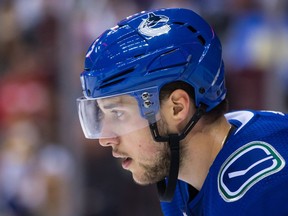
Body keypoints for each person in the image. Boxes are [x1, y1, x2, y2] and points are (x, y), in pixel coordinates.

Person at [76, 8, 288, 216]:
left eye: (118, 114)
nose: (105, 138)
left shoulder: (264, 195)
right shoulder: (178, 174)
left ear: (177, 108)